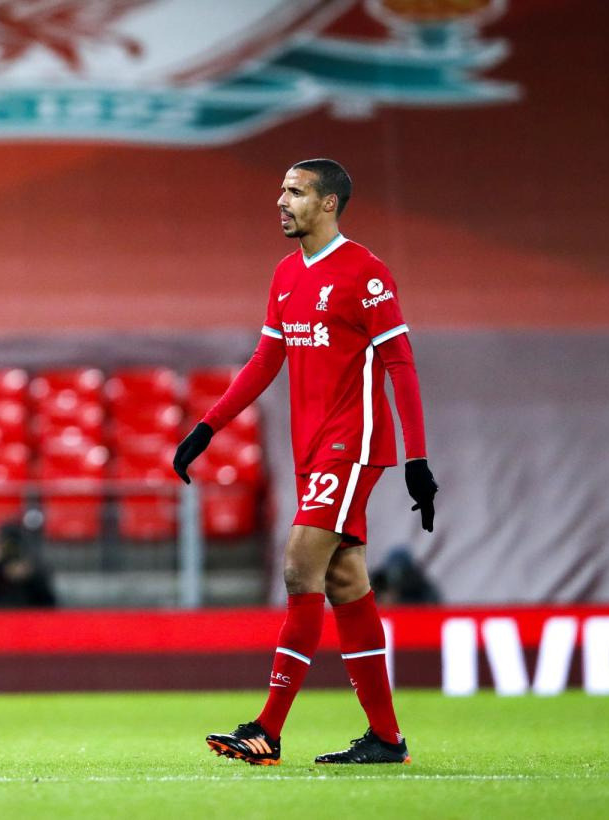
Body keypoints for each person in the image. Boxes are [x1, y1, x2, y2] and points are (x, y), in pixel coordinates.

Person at [173, 159, 438, 766]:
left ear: (329, 204)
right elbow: (266, 361)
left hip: (353, 443)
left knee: (299, 568)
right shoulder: (287, 275)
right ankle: (386, 738)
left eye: (295, 192)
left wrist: (416, 457)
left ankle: (267, 727)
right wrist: (207, 426)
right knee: (345, 582)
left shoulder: (365, 274)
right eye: (281, 191)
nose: (282, 201)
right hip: (311, 449)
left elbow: (400, 364)